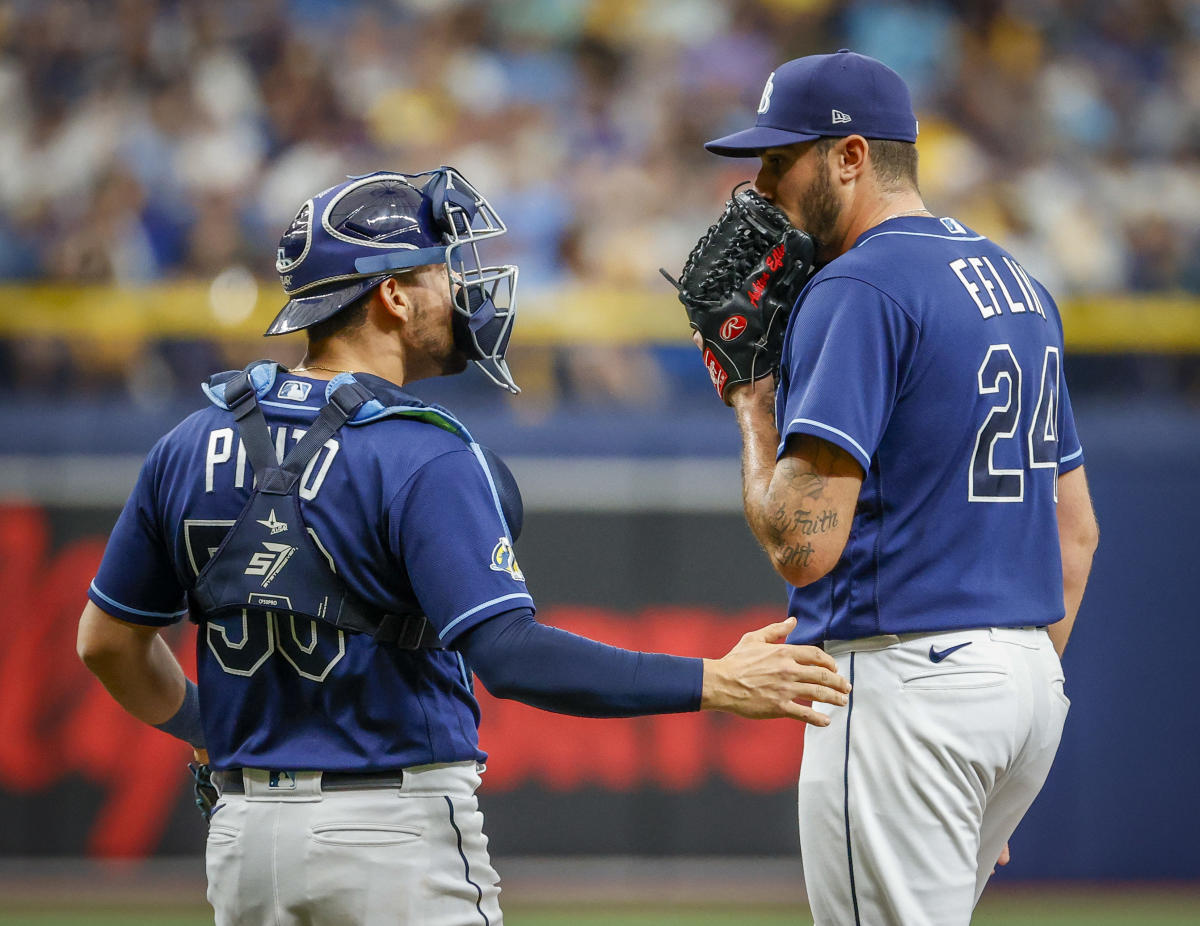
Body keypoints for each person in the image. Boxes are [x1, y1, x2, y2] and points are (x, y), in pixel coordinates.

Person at [75, 167, 852, 926]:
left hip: (244, 846)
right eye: (443, 270)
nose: (463, 289)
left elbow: (107, 643)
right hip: (390, 837)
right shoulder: (422, 451)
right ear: (391, 295)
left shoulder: (191, 439)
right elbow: (510, 655)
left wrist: (211, 730)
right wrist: (715, 679)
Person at [699, 51, 1100, 925]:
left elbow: (804, 547)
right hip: (1025, 687)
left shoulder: (857, 285)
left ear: (850, 156)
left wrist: (751, 404)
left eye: (778, 160)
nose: (760, 187)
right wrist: (996, 713)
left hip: (904, 689)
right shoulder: (1020, 283)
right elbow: (1077, 536)